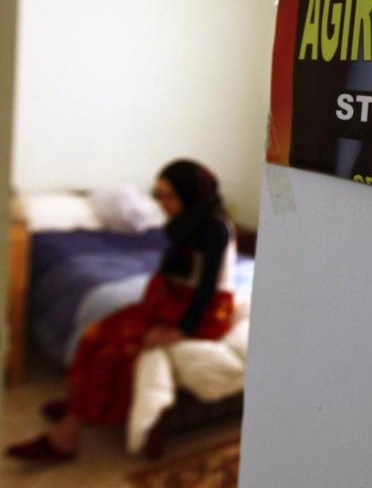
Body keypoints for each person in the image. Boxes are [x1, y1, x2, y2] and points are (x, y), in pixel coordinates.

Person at [6, 159, 237, 462]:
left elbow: (207, 288)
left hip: (204, 311)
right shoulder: (184, 222)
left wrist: (180, 330)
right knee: (96, 332)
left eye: (168, 196)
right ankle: (79, 401)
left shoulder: (215, 228)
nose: (161, 203)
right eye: (157, 194)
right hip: (173, 299)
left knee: (114, 349)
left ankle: (65, 439)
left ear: (190, 194)